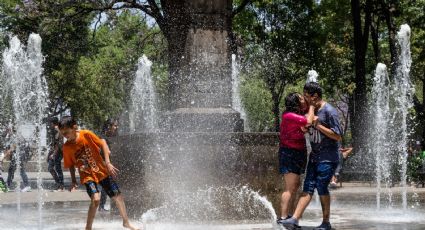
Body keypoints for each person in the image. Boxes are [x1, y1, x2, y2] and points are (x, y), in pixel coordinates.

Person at [280, 82, 342, 230]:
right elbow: (305, 127)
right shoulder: (310, 111)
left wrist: (318, 126)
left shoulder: (329, 111)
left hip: (328, 157)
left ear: (314, 96)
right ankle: (294, 219)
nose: (304, 99)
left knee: (321, 187)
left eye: (306, 96)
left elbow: (338, 136)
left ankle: (326, 222)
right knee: (307, 188)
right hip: (314, 157)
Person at [58, 116, 138, 230]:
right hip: (87, 175)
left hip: (101, 171)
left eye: (66, 132)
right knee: (95, 199)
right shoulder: (66, 147)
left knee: (118, 197)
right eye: (62, 133)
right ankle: (88, 227)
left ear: (74, 127)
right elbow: (70, 165)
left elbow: (103, 143)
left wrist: (108, 163)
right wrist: (74, 181)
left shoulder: (86, 134)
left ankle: (126, 222)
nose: (65, 135)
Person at [277, 92, 315, 225]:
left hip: (298, 152)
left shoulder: (296, 114)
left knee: (295, 185)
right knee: (290, 187)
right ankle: (283, 218)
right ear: (295, 102)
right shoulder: (289, 116)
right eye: (301, 98)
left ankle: (290, 218)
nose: (304, 100)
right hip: (289, 153)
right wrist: (311, 105)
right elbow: (309, 121)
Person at [98, 118, 119, 212]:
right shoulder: (102, 137)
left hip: (110, 163)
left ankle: (103, 206)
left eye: (116, 125)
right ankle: (102, 206)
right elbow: (103, 149)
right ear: (109, 126)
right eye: (114, 125)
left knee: (107, 185)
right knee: (107, 185)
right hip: (103, 163)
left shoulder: (113, 136)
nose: (116, 127)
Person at [47, 117, 64, 191]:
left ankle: (61, 185)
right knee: (50, 168)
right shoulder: (54, 130)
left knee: (58, 168)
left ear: (53, 123)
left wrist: (53, 154)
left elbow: (57, 144)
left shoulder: (57, 130)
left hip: (58, 152)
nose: (49, 124)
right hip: (54, 151)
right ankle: (58, 183)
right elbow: (53, 144)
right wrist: (49, 153)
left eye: (50, 123)